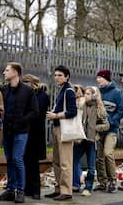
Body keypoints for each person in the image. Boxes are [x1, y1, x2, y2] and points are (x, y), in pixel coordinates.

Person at [0, 62, 39, 203]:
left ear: (16, 72)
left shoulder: (28, 91)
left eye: (7, 70)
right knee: (9, 160)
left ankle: (20, 191)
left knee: (17, 159)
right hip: (7, 131)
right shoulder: (3, 90)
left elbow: (34, 112)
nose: (4, 72)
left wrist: (21, 121)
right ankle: (10, 190)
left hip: (21, 131)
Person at [45, 65, 77, 201]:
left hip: (64, 130)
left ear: (67, 76)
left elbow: (73, 112)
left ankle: (66, 191)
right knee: (57, 161)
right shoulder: (61, 90)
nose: (57, 77)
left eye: (60, 75)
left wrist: (55, 115)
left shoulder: (69, 90)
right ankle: (58, 188)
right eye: (56, 75)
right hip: (57, 128)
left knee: (65, 162)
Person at [73, 86, 110, 196]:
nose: (86, 96)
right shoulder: (81, 105)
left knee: (91, 166)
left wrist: (95, 128)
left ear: (94, 95)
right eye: (85, 93)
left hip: (92, 140)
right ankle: (74, 183)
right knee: (73, 160)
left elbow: (106, 125)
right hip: (80, 138)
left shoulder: (99, 108)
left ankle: (88, 187)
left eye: (88, 94)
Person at [94, 69, 123, 193]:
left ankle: (113, 181)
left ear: (106, 78)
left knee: (108, 153)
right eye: (97, 78)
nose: (98, 80)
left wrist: (111, 122)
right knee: (99, 157)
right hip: (98, 129)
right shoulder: (97, 92)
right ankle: (102, 182)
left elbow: (121, 110)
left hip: (111, 129)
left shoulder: (116, 93)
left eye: (100, 77)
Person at [22, 74, 50, 200]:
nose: (24, 84)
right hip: (24, 132)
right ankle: (27, 189)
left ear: (33, 83)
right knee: (25, 161)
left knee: (33, 162)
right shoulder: (24, 94)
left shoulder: (42, 95)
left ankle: (36, 190)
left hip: (35, 134)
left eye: (26, 81)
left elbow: (38, 113)